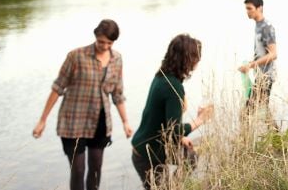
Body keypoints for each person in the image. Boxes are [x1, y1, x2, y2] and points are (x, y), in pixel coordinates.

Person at [32, 19, 133, 190]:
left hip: (100, 122)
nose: (104, 46)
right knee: (78, 169)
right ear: (95, 36)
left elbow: (117, 93)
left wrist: (125, 122)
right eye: (101, 41)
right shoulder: (76, 56)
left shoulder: (117, 59)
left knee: (96, 168)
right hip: (73, 122)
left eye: (109, 43)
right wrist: (42, 120)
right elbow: (57, 87)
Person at [131, 34, 213, 190]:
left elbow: (164, 120)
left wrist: (181, 138)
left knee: (190, 158)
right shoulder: (173, 86)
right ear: (188, 59)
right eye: (196, 57)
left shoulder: (162, 76)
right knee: (189, 159)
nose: (198, 61)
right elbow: (173, 131)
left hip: (146, 148)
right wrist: (201, 120)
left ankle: (173, 186)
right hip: (148, 155)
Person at [238, 0, 277, 111]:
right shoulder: (258, 25)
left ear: (259, 8)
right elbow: (263, 53)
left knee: (247, 113)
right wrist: (250, 64)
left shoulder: (266, 27)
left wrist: (251, 65)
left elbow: (273, 54)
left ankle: (275, 129)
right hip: (260, 75)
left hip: (266, 76)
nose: (247, 12)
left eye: (250, 8)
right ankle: (275, 129)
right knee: (262, 111)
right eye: (246, 9)